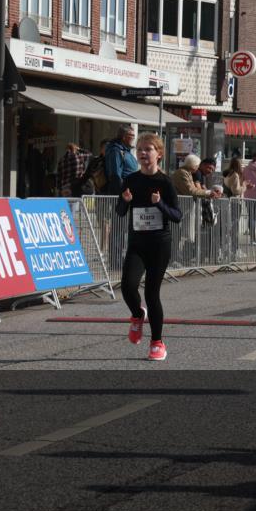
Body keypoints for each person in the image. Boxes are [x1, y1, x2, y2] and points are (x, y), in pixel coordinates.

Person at [115, 132, 182, 361]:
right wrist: (125, 201)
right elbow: (120, 212)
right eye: (140, 149)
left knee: (152, 293)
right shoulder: (131, 180)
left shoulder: (165, 182)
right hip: (137, 243)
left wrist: (160, 204)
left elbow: (177, 216)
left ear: (158, 154)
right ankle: (137, 315)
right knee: (127, 286)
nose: (143, 153)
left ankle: (157, 342)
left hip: (159, 244)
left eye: (148, 149)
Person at [223, 157, 251, 257]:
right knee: (234, 228)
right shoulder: (235, 175)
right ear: (239, 165)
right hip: (234, 203)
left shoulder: (227, 174)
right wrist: (245, 186)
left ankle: (229, 249)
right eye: (241, 165)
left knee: (229, 227)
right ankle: (234, 250)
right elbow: (236, 191)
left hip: (228, 203)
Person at [104, 126, 138, 195]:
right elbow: (115, 175)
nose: (133, 138)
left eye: (134, 136)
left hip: (130, 190)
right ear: (124, 137)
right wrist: (121, 195)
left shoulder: (126, 151)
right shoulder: (116, 151)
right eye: (131, 135)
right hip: (123, 192)